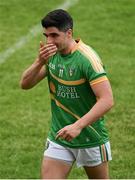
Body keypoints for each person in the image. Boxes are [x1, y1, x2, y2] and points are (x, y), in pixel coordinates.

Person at [20, 9, 114, 179]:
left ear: (69, 33)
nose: (49, 41)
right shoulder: (51, 55)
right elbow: (25, 84)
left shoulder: (87, 60)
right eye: (46, 35)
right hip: (59, 136)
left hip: (89, 136)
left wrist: (77, 126)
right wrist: (39, 61)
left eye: (54, 35)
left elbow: (107, 100)